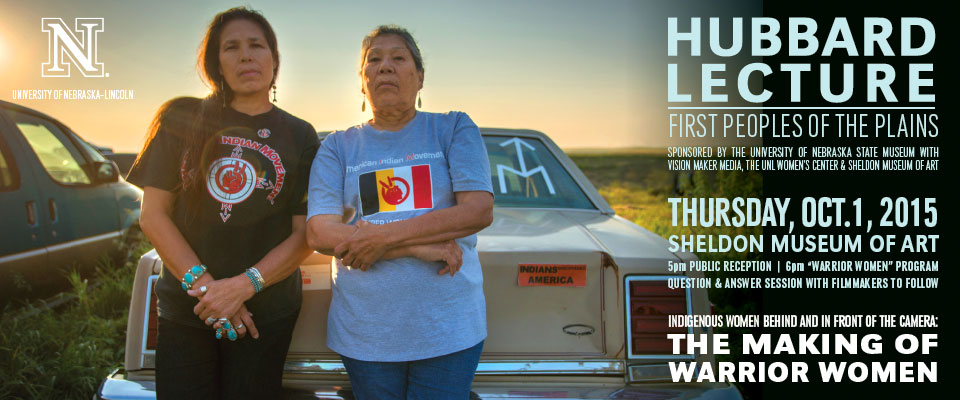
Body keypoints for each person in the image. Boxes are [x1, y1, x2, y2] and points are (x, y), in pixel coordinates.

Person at [126, 7, 318, 399]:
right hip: (189, 310)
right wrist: (210, 291)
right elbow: (153, 216)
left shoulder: (300, 134)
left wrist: (243, 287)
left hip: (264, 315)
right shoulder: (182, 119)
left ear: (275, 59)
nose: (246, 56)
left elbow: (304, 234)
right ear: (216, 63)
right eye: (231, 47)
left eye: (256, 45)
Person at [306, 25, 495, 399]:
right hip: (365, 332)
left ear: (420, 76)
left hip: (448, 329)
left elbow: (477, 210)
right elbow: (319, 233)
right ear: (363, 81)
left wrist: (382, 237)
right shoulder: (337, 147)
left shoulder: (453, 127)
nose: (385, 67)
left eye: (398, 57)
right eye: (374, 60)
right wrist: (415, 248)